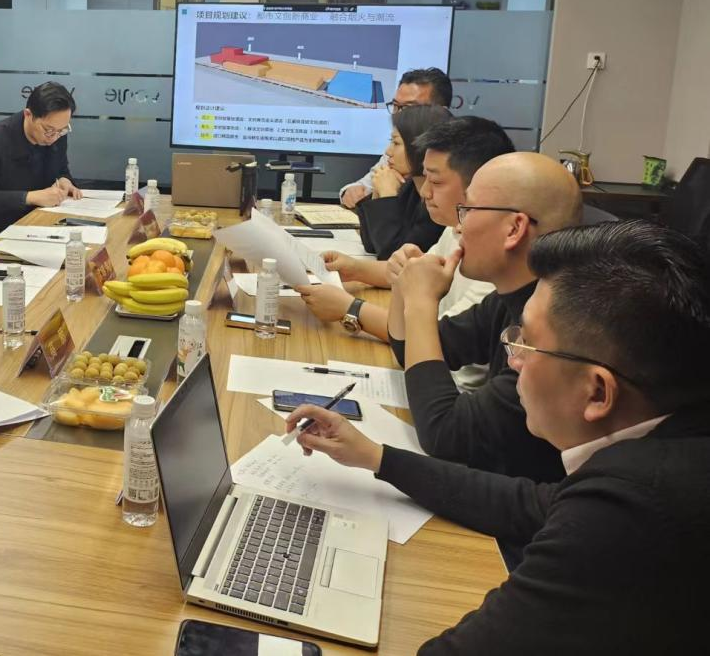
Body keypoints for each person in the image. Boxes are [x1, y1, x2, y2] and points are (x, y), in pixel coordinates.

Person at [283, 221, 710, 654]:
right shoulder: (670, 440)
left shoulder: (631, 507)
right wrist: (377, 457)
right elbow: (529, 504)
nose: (513, 358)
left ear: (597, 392)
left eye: (528, 344)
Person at [388, 151, 582, 482]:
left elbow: (443, 434)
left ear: (514, 228)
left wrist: (420, 300)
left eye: (468, 210)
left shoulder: (557, 327)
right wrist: (402, 284)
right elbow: (410, 352)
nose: (458, 226)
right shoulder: (509, 297)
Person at [299, 117, 514, 349]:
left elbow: (438, 337)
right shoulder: (454, 229)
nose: (425, 192)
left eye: (436, 182)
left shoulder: (498, 264)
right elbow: (413, 271)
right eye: (425, 178)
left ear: (479, 184)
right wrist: (355, 269)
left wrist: (350, 309)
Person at [0, 81, 82, 235]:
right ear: (28, 115)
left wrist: (65, 180)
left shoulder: (57, 132)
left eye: (62, 130)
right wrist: (30, 197)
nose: (54, 137)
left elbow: (61, 169)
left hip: (44, 220)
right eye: (48, 130)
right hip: (4, 228)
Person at [339, 67, 453, 209]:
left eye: (409, 108)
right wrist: (351, 191)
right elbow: (367, 184)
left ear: (441, 111)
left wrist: (387, 196)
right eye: (396, 106)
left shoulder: (454, 162)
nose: (398, 115)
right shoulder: (396, 151)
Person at [354, 104, 453, 260]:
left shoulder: (439, 201)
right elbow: (372, 245)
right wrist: (378, 194)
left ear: (421, 146)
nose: (388, 152)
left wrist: (387, 195)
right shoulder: (410, 188)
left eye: (396, 143)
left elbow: (394, 258)